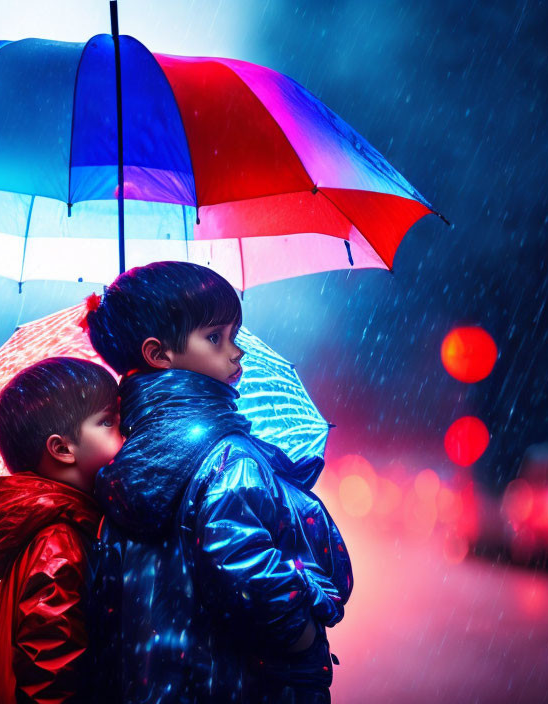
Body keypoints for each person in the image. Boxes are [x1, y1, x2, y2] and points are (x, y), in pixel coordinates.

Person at [85, 261, 353, 704]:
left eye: (234, 334)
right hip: (239, 683)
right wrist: (303, 641)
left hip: (156, 683)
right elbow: (247, 570)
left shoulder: (127, 457)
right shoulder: (228, 458)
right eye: (215, 337)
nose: (236, 352)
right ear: (157, 354)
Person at [0, 357, 124, 704]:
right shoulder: (58, 542)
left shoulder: (59, 524)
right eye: (108, 421)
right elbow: (50, 676)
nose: (125, 431)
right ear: (62, 449)